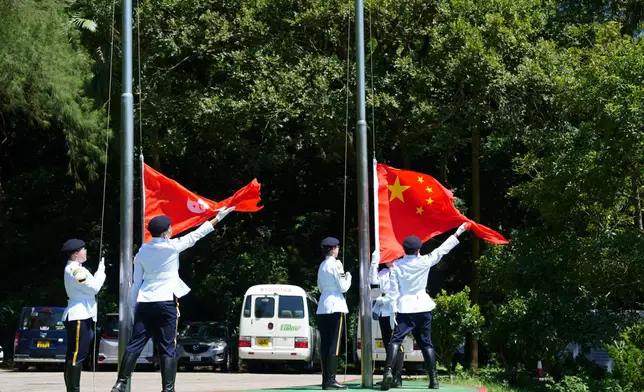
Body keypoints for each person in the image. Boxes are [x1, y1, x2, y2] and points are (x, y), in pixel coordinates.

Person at [110, 207, 234, 392]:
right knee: (167, 346)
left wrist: (132, 306)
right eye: (169, 228)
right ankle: (168, 389)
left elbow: (136, 283)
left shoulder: (142, 252)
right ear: (165, 232)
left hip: (145, 301)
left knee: (135, 343)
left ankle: (121, 382)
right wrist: (218, 218)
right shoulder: (172, 247)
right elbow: (197, 234)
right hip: (166, 301)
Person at [381, 223, 469, 390]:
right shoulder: (425, 261)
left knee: (395, 341)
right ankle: (433, 380)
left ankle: (388, 373)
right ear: (418, 249)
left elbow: (393, 293)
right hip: (423, 306)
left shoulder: (397, 266)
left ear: (404, 250)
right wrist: (459, 232)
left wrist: (388, 305)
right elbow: (443, 249)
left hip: (405, 308)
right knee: (426, 343)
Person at [61, 239, 106, 392]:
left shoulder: (78, 268)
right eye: (83, 249)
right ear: (75, 254)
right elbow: (94, 288)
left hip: (83, 314)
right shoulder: (75, 270)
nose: (86, 252)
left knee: (75, 355)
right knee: (76, 356)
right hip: (79, 315)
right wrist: (101, 273)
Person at [316, 237, 351, 390]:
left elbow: (319, 287)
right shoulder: (337, 264)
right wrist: (349, 277)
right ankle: (331, 380)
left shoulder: (322, 265)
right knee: (334, 345)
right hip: (336, 304)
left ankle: (325, 380)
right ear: (334, 249)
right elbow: (343, 287)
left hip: (323, 306)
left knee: (325, 344)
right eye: (337, 247)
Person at [370, 251, 404, 388]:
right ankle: (389, 375)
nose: (388, 260)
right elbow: (373, 281)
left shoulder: (400, 270)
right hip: (383, 309)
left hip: (395, 309)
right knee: (387, 343)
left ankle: (397, 376)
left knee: (397, 343)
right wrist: (373, 263)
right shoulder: (383, 272)